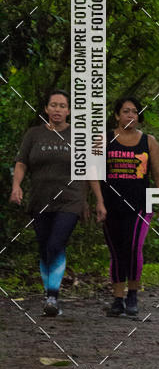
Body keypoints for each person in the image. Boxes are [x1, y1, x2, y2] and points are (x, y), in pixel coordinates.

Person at [10, 90, 106, 316]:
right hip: (40, 198)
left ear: (69, 110)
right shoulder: (33, 135)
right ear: (46, 109)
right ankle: (49, 296)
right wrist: (16, 186)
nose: (57, 110)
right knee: (44, 246)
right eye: (53, 105)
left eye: (62, 106)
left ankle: (52, 296)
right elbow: (22, 162)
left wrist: (99, 200)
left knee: (56, 243)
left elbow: (90, 170)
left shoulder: (78, 136)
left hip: (70, 199)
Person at [95, 97, 159, 317]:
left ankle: (133, 295)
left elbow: (158, 174)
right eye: (126, 112)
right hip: (111, 204)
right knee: (116, 251)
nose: (130, 116)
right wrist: (98, 202)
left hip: (140, 203)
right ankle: (118, 299)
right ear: (117, 115)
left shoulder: (149, 141)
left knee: (134, 247)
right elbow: (94, 174)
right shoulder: (104, 139)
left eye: (135, 112)